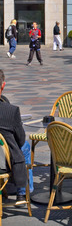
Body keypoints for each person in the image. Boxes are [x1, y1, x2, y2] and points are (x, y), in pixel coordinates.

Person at [0, 69, 33, 205]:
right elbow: (20, 139)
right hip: (2, 163)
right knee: (24, 146)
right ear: (3, 85)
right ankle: (23, 191)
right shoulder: (10, 111)